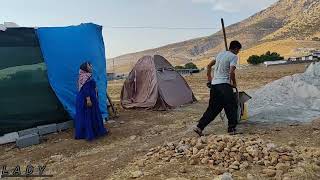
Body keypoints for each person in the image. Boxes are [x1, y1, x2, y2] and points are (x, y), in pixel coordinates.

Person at [193, 40, 242, 136]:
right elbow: (232, 72)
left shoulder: (220, 54)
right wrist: (234, 83)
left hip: (214, 86)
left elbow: (209, 66)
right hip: (224, 85)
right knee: (231, 106)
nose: (238, 52)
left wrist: (209, 79)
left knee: (213, 108)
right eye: (238, 50)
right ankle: (231, 129)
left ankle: (199, 127)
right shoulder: (233, 57)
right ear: (236, 48)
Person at [75, 62, 108, 141]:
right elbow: (86, 89)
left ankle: (93, 132)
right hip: (86, 99)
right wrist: (88, 99)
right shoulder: (85, 76)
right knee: (89, 114)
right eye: (89, 66)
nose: (91, 67)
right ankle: (89, 133)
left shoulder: (85, 76)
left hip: (88, 97)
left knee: (91, 115)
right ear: (85, 67)